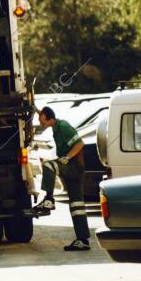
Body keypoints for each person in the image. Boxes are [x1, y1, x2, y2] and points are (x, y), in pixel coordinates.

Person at [34, 106, 91, 251]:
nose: (40, 124)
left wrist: (67, 157)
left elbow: (80, 144)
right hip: (74, 169)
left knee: (49, 165)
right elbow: (42, 112)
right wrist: (34, 107)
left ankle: (49, 199)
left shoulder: (63, 126)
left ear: (49, 118)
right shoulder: (54, 126)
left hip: (74, 167)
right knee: (76, 206)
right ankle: (82, 240)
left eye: (42, 120)